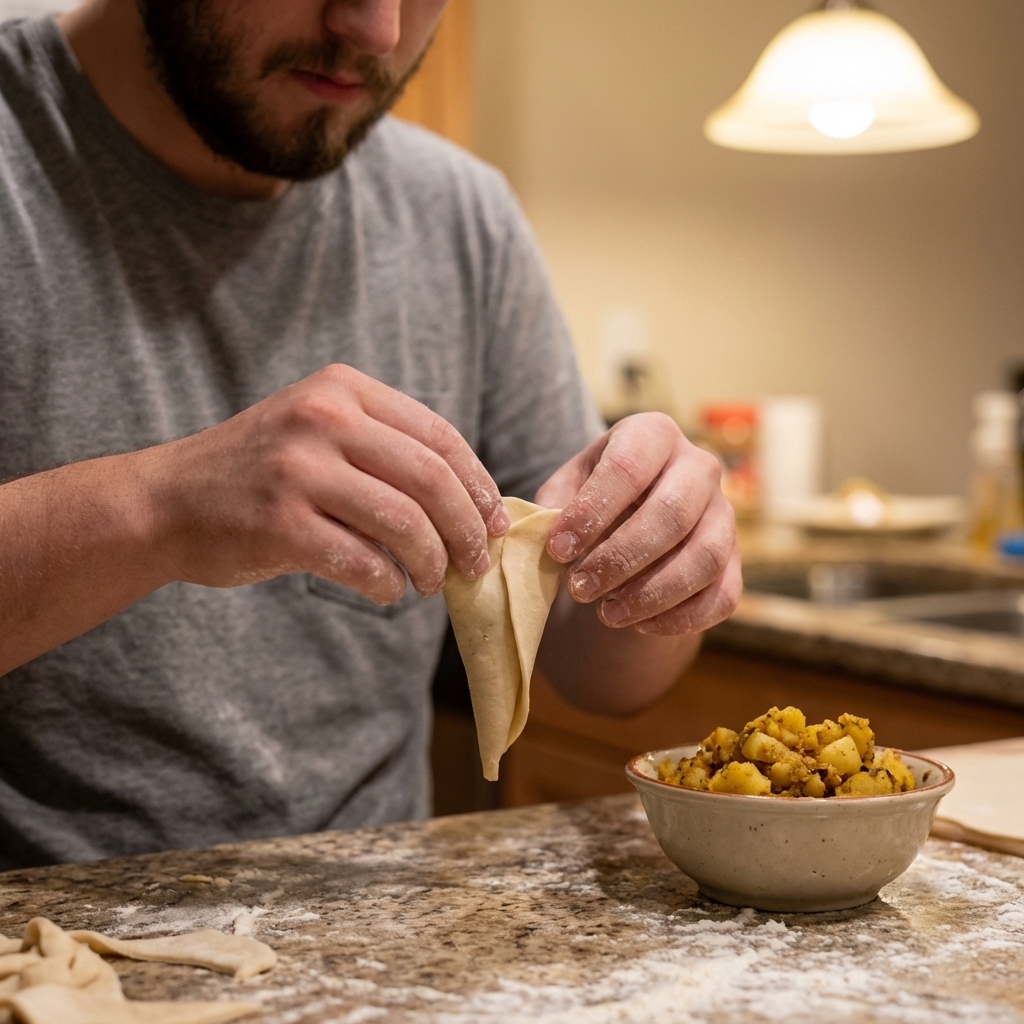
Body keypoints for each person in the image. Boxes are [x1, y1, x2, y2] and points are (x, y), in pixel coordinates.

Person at [0, 0, 741, 870]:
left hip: (379, 939)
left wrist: (659, 560)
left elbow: (596, 674)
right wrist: (161, 507)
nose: (377, 29)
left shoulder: (461, 216)